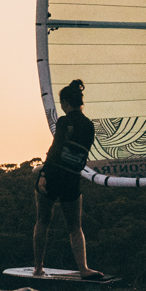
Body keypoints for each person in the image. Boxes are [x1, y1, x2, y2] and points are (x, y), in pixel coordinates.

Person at [33, 79, 103, 279]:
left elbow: (55, 150)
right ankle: (84, 269)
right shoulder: (89, 125)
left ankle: (38, 267)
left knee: (42, 221)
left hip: (54, 175)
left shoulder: (63, 122)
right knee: (75, 228)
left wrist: (43, 175)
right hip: (72, 179)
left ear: (65, 102)